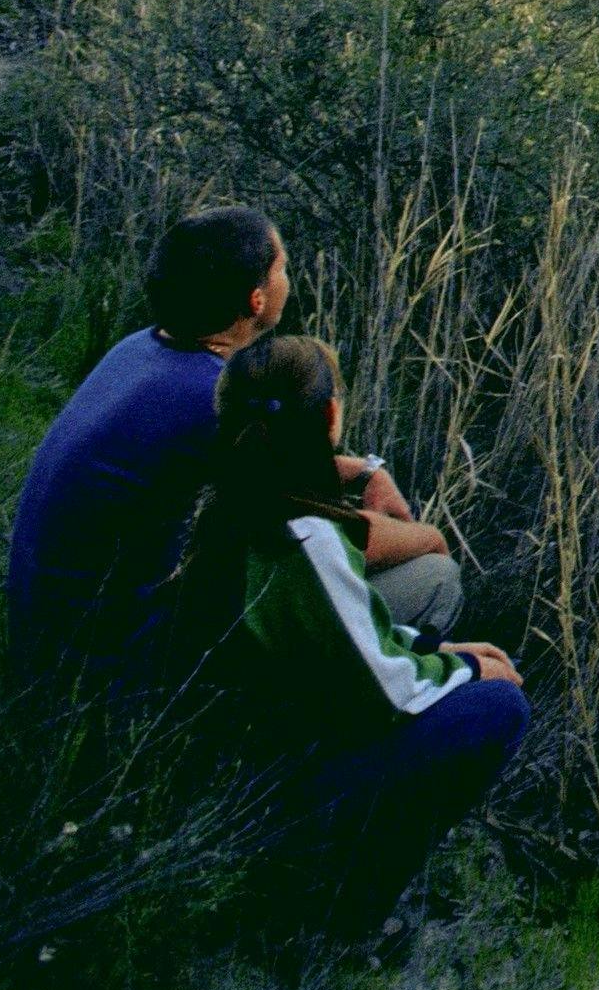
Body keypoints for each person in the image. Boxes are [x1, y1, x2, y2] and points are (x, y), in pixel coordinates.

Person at [7, 206, 457, 690]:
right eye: (281, 266)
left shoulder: (142, 349)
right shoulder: (210, 399)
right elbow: (310, 531)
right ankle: (329, 726)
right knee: (434, 577)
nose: (290, 275)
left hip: (46, 637)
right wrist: (426, 536)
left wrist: (367, 473)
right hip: (108, 667)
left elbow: (292, 473)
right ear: (257, 299)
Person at [175, 332, 526, 937]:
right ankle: (342, 911)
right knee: (499, 708)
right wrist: (468, 671)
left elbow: (338, 637)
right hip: (280, 770)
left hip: (236, 741)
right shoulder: (305, 540)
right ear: (332, 416)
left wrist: (435, 650)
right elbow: (387, 690)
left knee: (450, 664)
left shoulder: (228, 502)